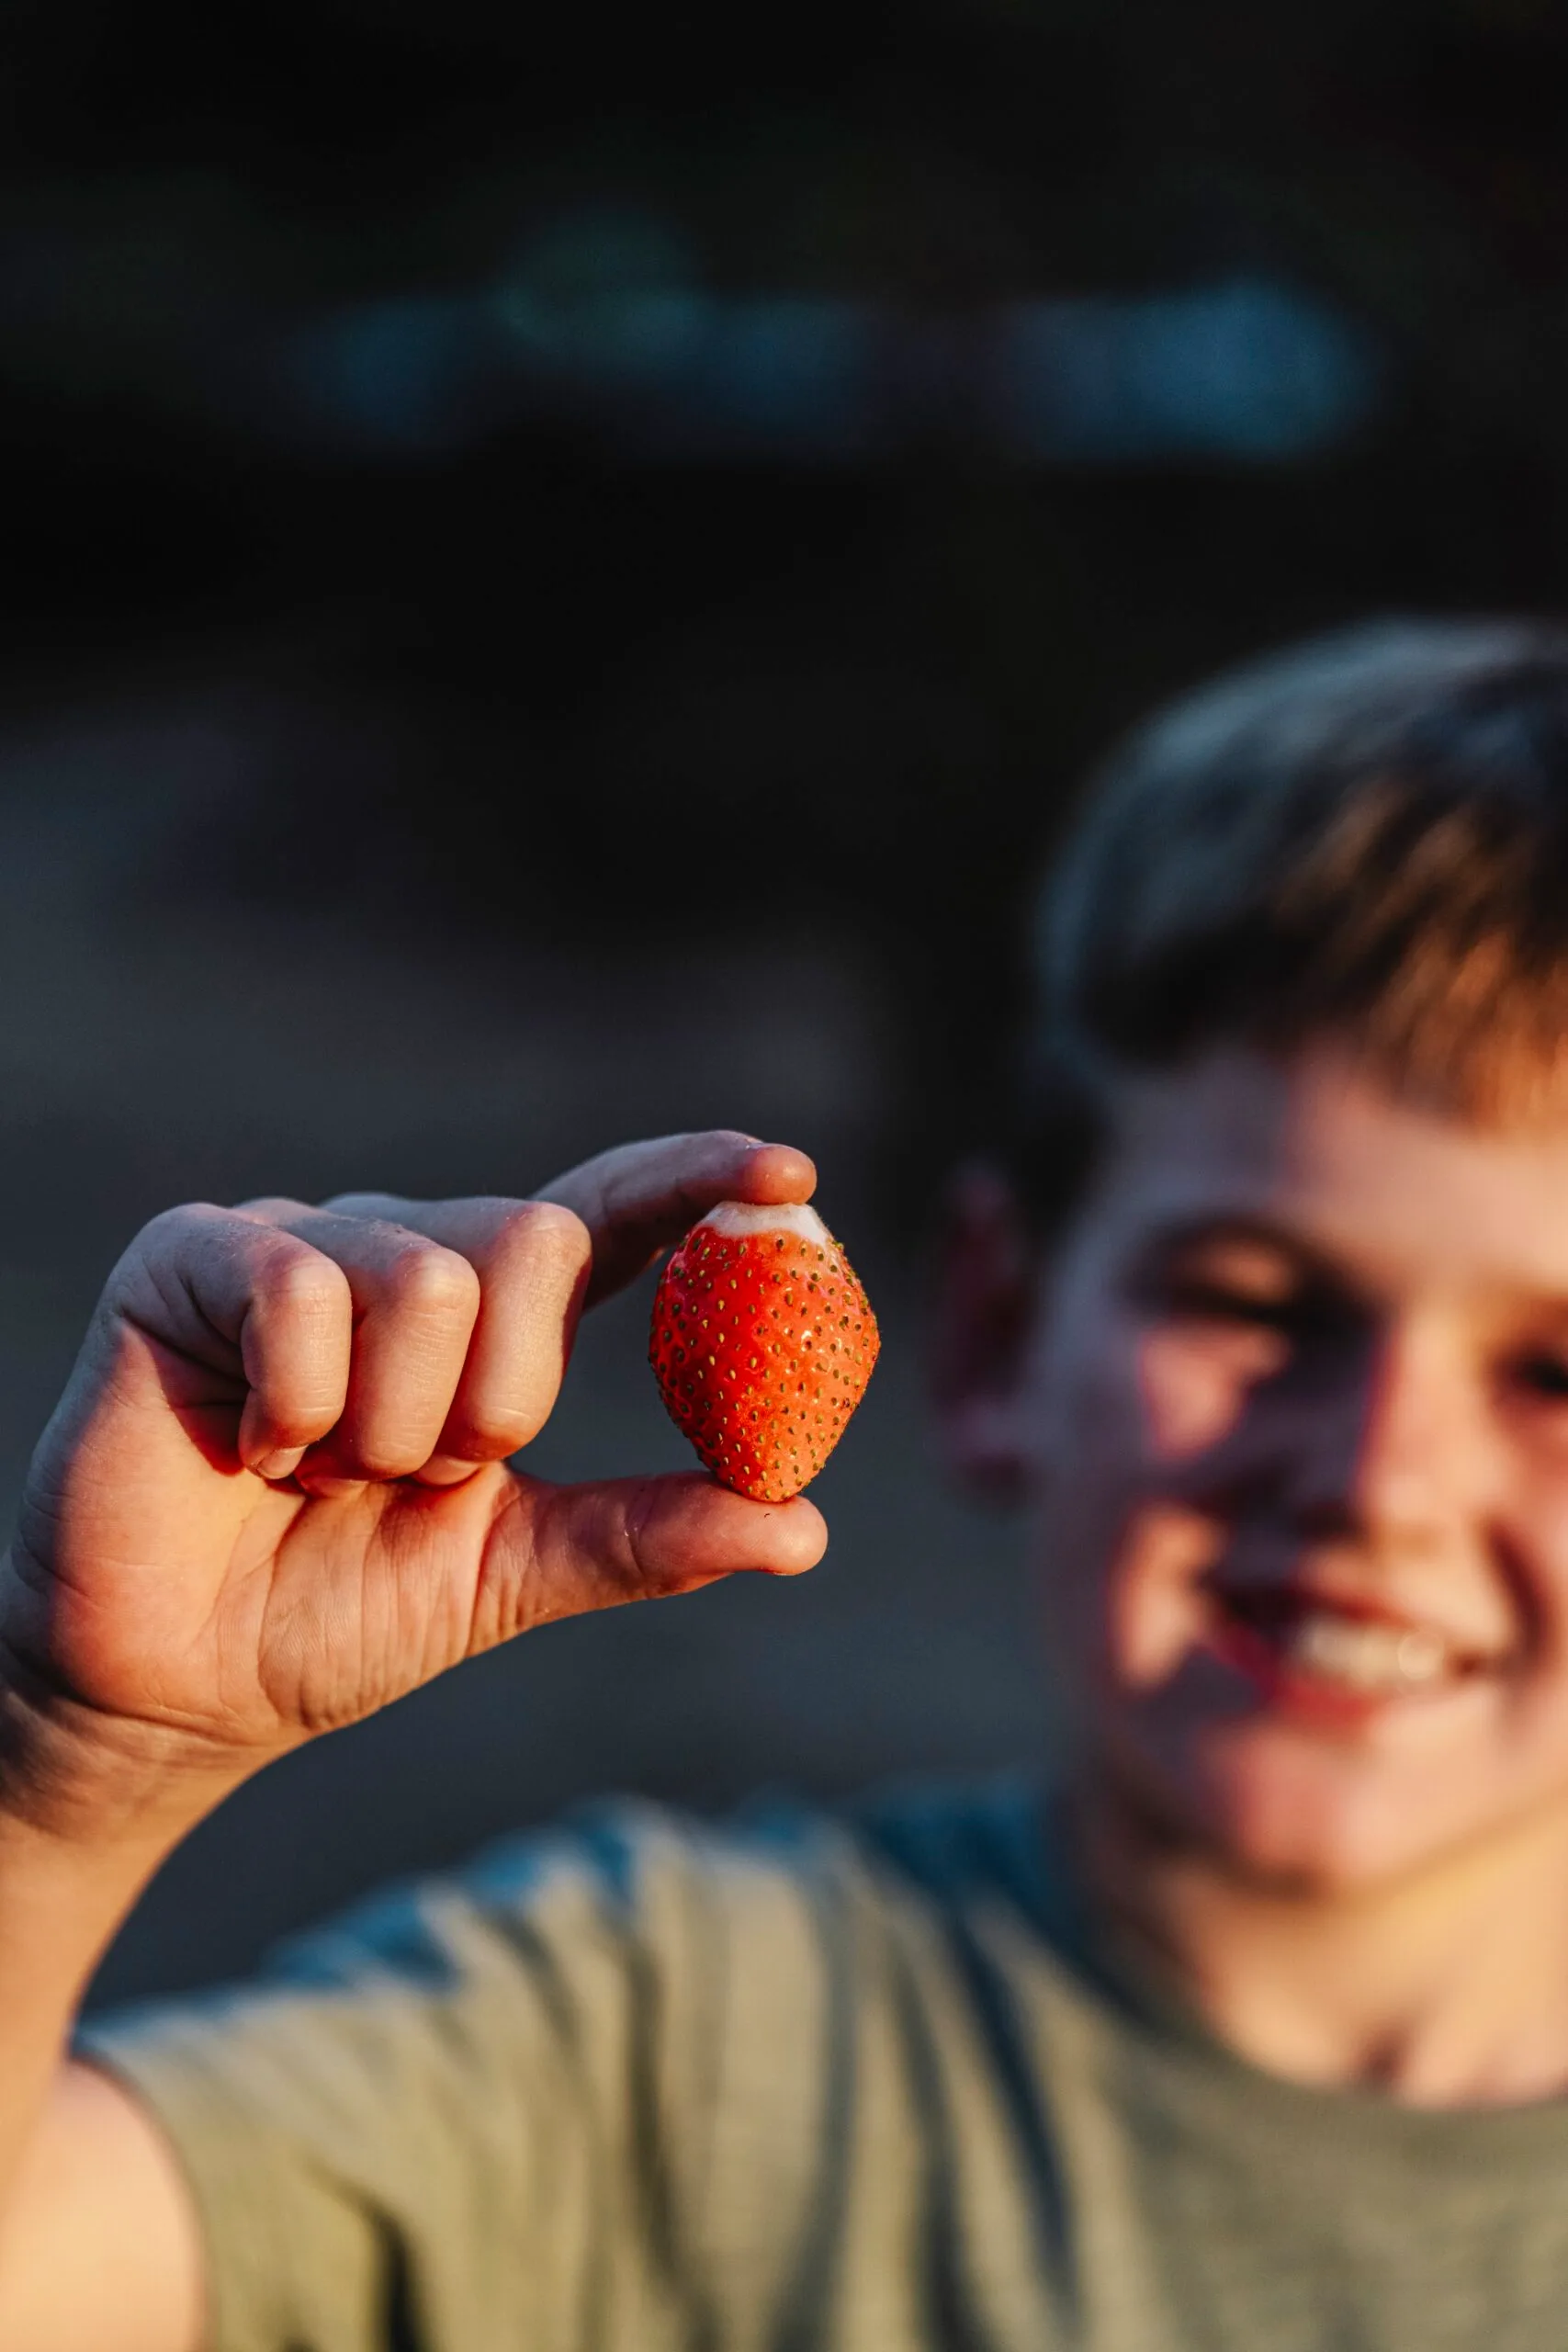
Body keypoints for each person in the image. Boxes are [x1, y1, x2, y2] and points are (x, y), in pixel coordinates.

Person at [8, 618, 1568, 2350]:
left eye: (1552, 1373)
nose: (1377, 1478)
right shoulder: (667, 2045)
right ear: (991, 1337)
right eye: (1253, 1306)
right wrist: (74, 1777)